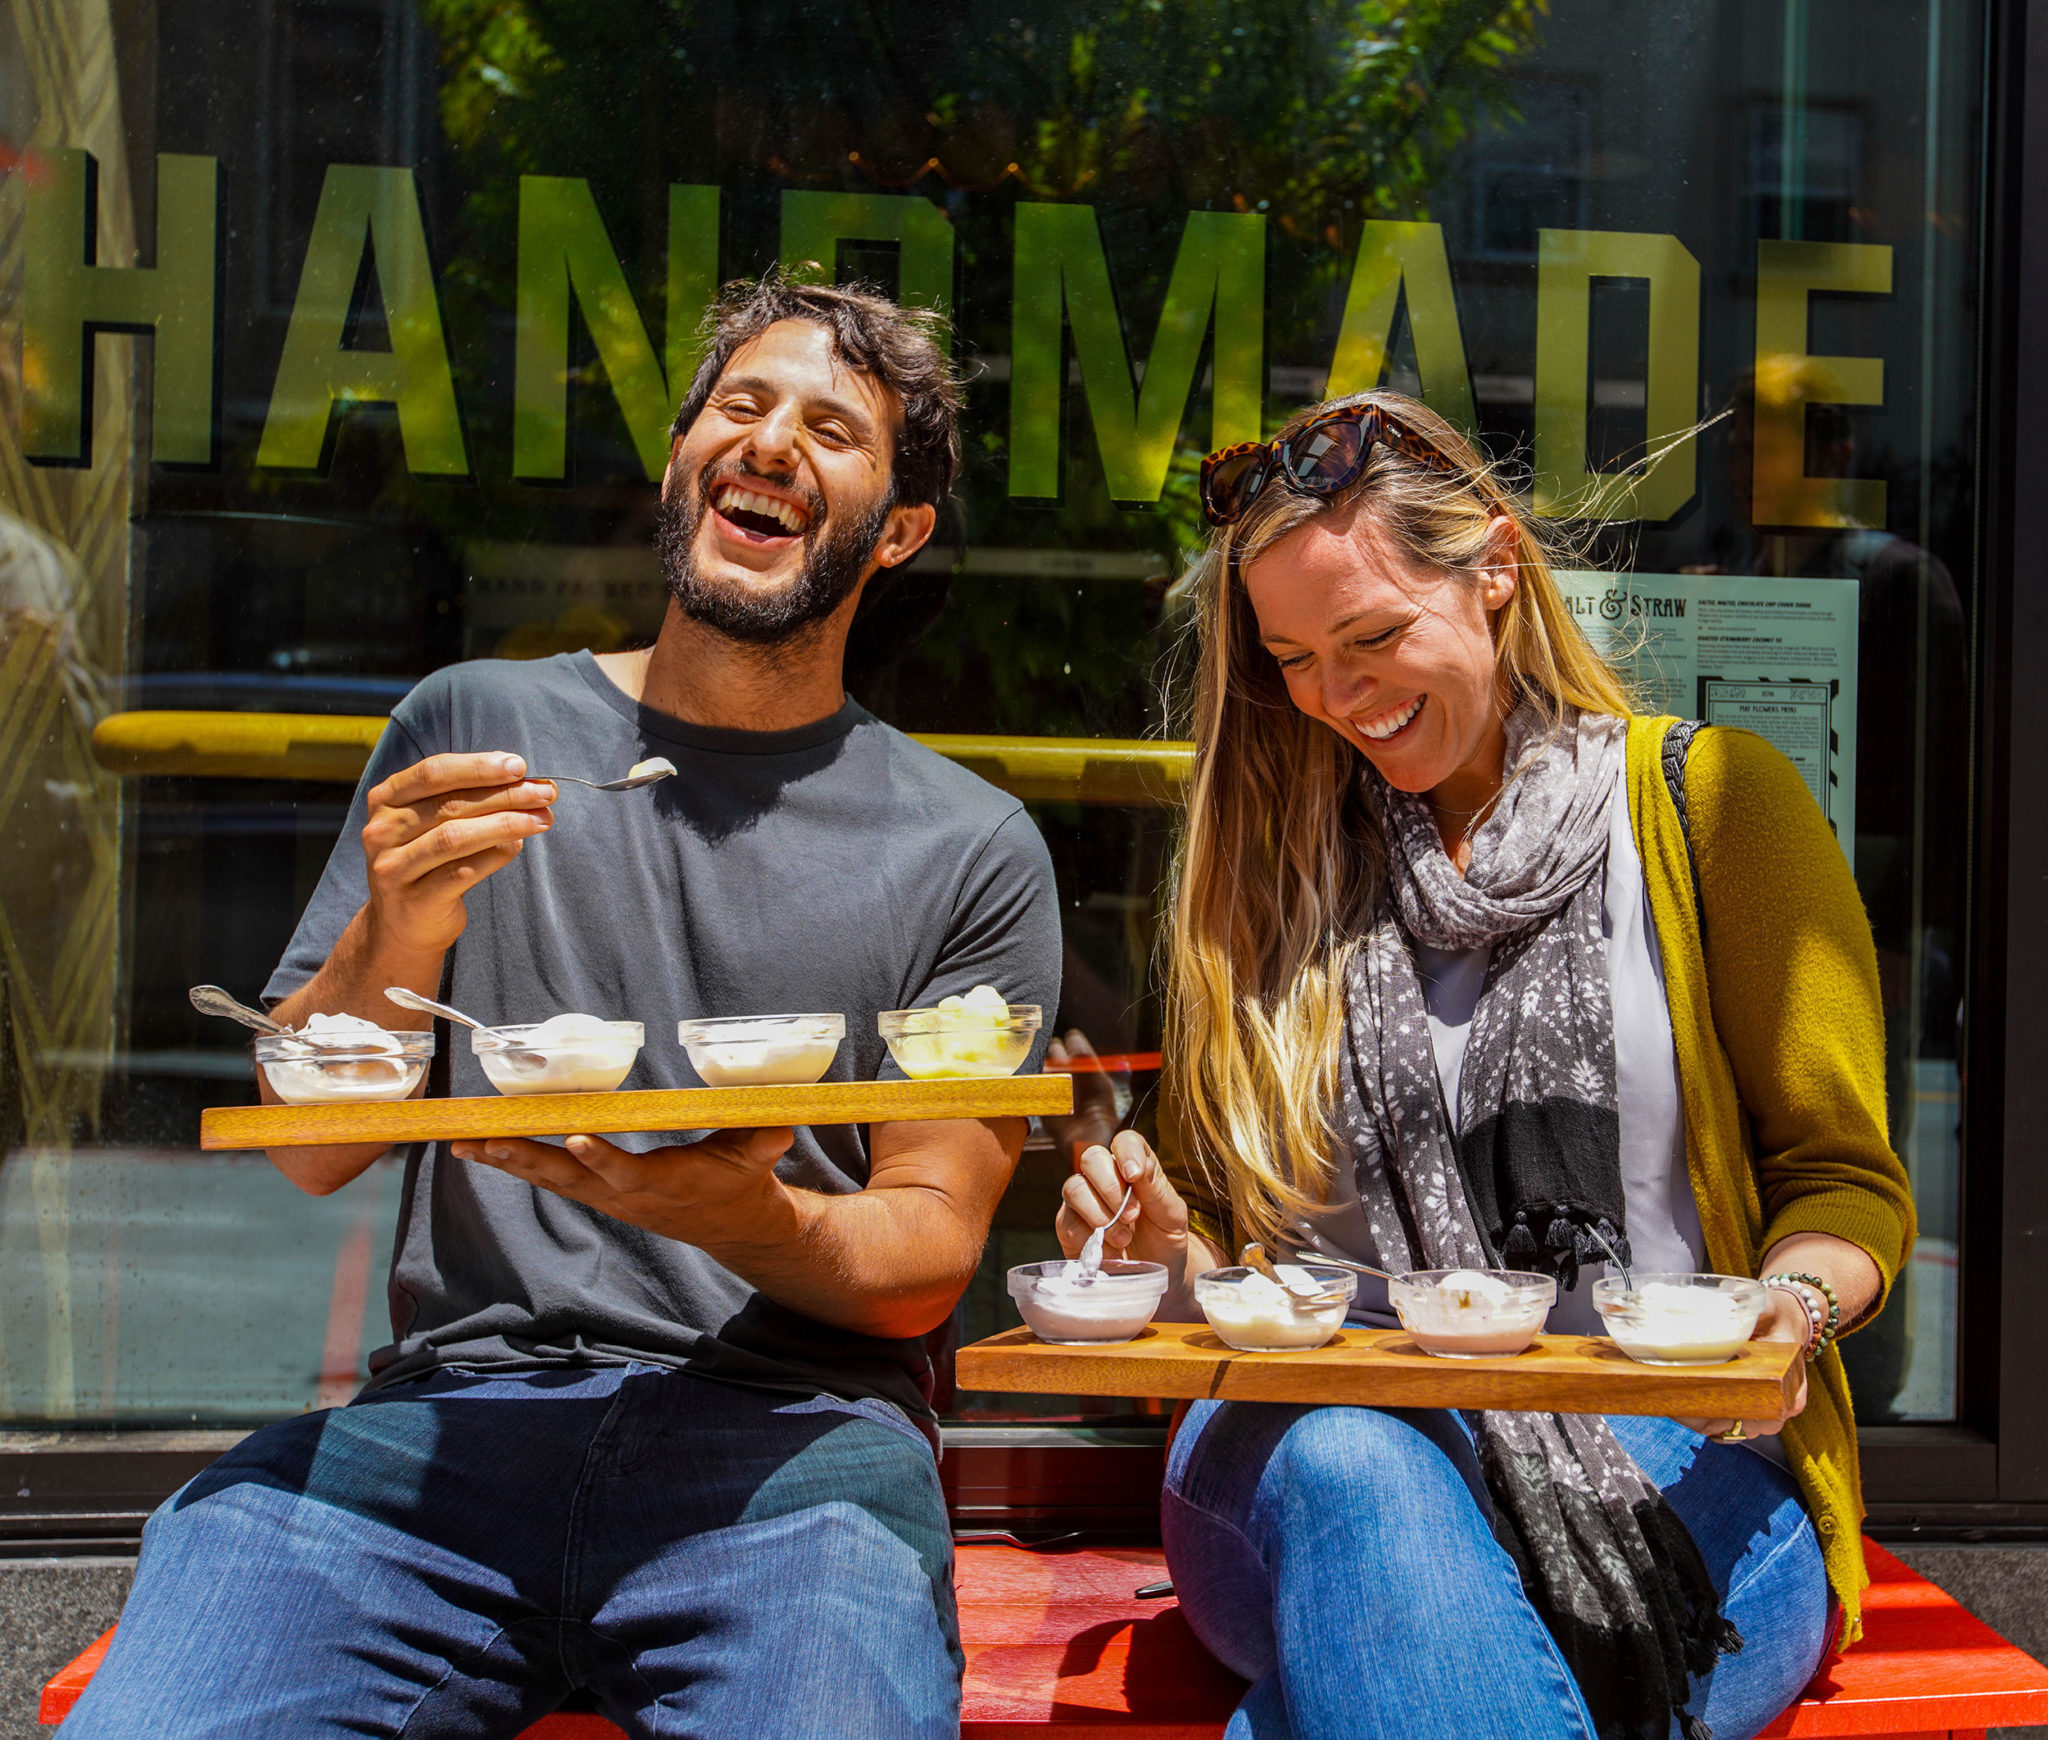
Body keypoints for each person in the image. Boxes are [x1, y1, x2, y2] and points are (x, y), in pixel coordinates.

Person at [62, 276, 1062, 1739]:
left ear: (898, 528)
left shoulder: (967, 845)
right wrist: (400, 924)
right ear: (681, 459)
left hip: (793, 1460)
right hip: (443, 1430)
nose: (769, 443)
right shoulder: (476, 727)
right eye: (740, 405)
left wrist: (741, 1217)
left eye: (831, 428)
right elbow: (312, 1142)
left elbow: (921, 1260)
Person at [1057, 389, 1914, 1740]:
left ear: (1500, 570)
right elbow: (1228, 1241)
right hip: (1307, 1446)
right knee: (1357, 1459)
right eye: (1291, 658)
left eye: (1375, 635)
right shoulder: (1270, 873)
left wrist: (1791, 1310)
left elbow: (1847, 1185)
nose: (1339, 699)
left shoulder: (1713, 807)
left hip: (1683, 1463)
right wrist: (1164, 1254)